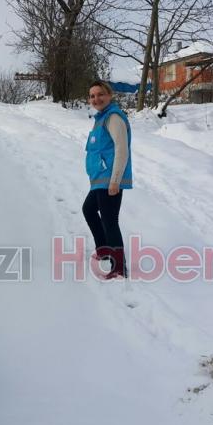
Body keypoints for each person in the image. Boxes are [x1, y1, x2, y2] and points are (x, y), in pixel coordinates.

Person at [83, 81, 133, 279]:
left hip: (110, 179)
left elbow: (122, 149)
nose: (96, 99)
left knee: (110, 221)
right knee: (88, 209)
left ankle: (119, 268)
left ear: (109, 95)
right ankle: (104, 250)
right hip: (99, 179)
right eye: (92, 95)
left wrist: (115, 181)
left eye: (100, 94)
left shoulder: (113, 117)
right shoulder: (101, 119)